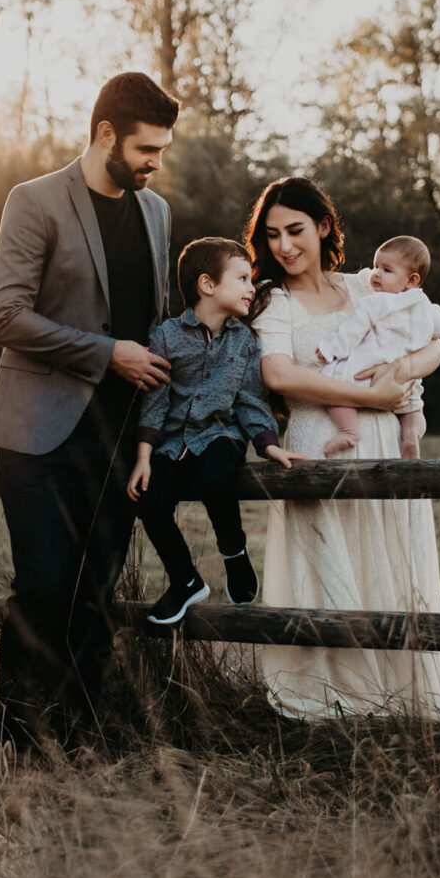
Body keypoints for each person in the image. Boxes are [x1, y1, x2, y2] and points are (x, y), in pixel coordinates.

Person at [0, 71, 177, 751]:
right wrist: (107, 353)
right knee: (42, 587)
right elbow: (3, 315)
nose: (156, 163)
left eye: (162, 150)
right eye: (147, 149)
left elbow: (156, 325)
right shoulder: (33, 201)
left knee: (95, 594)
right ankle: (13, 740)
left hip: (124, 439)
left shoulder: (156, 213)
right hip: (40, 432)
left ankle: (80, 738)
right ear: (105, 134)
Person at [244, 178, 440, 721]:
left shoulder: (367, 285)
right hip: (321, 444)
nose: (285, 246)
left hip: (385, 440)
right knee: (328, 569)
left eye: (296, 230)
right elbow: (279, 374)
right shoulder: (274, 301)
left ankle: (401, 707)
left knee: (389, 564)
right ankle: (331, 707)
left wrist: (398, 377)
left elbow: (431, 343)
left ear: (322, 227)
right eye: (272, 236)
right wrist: (368, 393)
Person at [126, 237, 303, 625]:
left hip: (221, 434)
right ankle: (185, 580)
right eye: (241, 278)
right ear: (208, 285)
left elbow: (250, 400)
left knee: (217, 475)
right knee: (150, 501)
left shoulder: (244, 341)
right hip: (171, 441)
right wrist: (143, 456)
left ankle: (234, 553)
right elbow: (155, 401)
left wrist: (268, 444)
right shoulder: (166, 337)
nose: (250, 288)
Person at [316, 235, 440, 459]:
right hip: (407, 382)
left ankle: (349, 431)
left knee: (333, 391)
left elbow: (353, 330)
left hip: (371, 370)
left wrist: (332, 349)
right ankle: (411, 437)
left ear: (412, 280)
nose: (376, 273)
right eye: (376, 266)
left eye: (387, 270)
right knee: (414, 408)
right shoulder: (428, 307)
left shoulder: (376, 302)